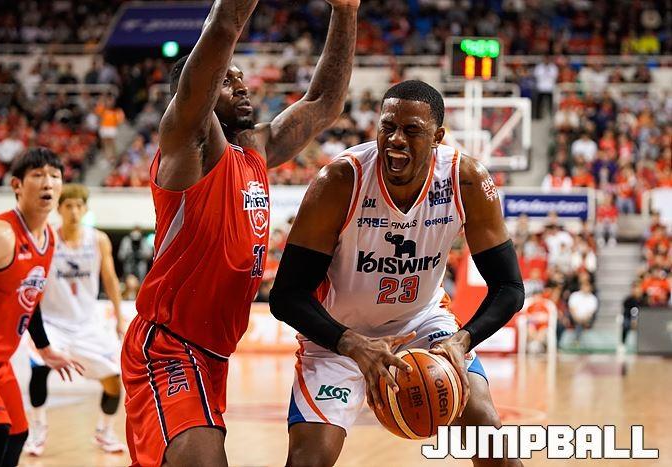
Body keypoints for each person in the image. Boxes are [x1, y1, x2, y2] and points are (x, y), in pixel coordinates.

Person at [120, 0, 359, 465]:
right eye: (227, 80)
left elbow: (323, 105)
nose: (241, 85)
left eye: (240, 77)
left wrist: (346, 11)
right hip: (170, 346)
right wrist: (214, 57)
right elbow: (223, 28)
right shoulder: (189, 142)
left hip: (214, 354)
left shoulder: (254, 149)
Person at [269, 80, 525, 466]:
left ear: (437, 137)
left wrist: (461, 341)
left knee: (489, 438)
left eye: (411, 130)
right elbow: (286, 295)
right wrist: (351, 343)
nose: (396, 140)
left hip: (422, 323)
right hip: (337, 334)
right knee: (308, 461)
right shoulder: (340, 182)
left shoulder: (466, 179)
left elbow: (509, 287)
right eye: (387, 127)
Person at [0, 148, 82, 467]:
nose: (47, 182)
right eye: (37, 175)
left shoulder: (48, 239)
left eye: (54, 176)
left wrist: (45, 349)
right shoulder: (0, 234)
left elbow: (30, 300)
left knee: (17, 434)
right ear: (16, 185)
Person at [23, 184, 126, 456]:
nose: (74, 211)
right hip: (51, 323)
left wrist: (118, 317)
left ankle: (104, 431)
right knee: (39, 369)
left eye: (79, 206)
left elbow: (110, 279)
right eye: (68, 206)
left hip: (87, 324)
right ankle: (38, 429)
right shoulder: (46, 238)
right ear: (59, 209)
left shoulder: (98, 240)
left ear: (85, 209)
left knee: (114, 381)